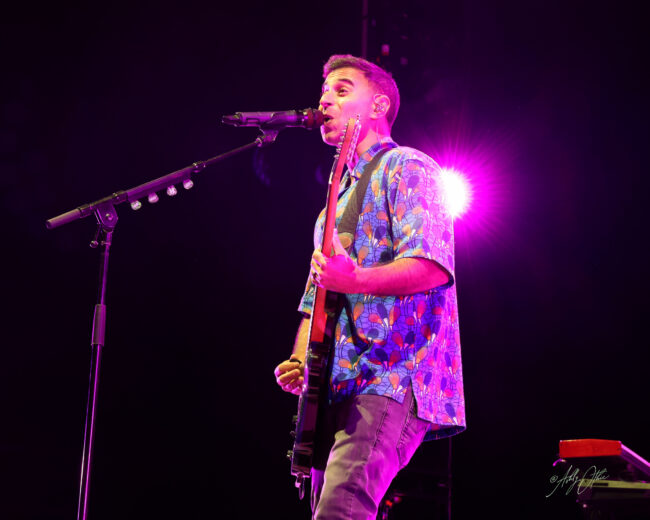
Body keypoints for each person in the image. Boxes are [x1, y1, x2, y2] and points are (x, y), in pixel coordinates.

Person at [274, 54, 466, 520]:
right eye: (324, 93)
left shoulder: (409, 166)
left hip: (391, 375)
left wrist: (356, 279)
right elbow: (315, 299)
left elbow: (431, 266)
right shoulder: (330, 208)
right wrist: (300, 358)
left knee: (340, 511)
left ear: (378, 105)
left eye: (341, 91)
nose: (325, 101)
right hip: (335, 387)